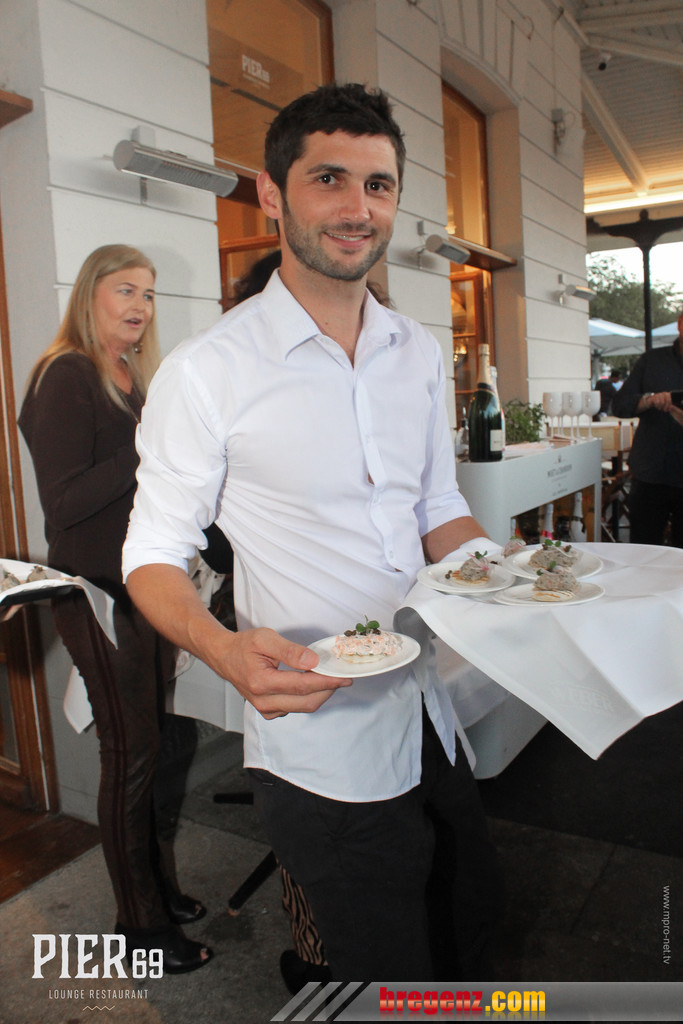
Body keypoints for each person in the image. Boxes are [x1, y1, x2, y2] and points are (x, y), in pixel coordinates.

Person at [123, 83, 503, 980]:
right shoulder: (208, 370)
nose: (355, 207)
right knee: (380, 973)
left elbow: (436, 510)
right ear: (271, 193)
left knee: (469, 936)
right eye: (327, 178)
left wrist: (511, 579)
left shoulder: (416, 351)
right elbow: (151, 555)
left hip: (430, 707)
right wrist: (221, 650)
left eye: (378, 184)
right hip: (320, 738)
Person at [18, 244, 212, 973]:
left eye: (149, 294)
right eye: (125, 289)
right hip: (95, 591)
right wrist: (148, 441)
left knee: (152, 745)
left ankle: (155, 890)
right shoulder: (65, 373)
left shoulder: (131, 377)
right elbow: (65, 503)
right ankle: (139, 927)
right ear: (90, 295)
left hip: (144, 585)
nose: (140, 305)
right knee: (129, 754)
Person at [612, 312, 683, 546]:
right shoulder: (652, 360)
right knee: (643, 550)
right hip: (650, 473)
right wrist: (649, 400)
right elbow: (620, 405)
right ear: (680, 324)